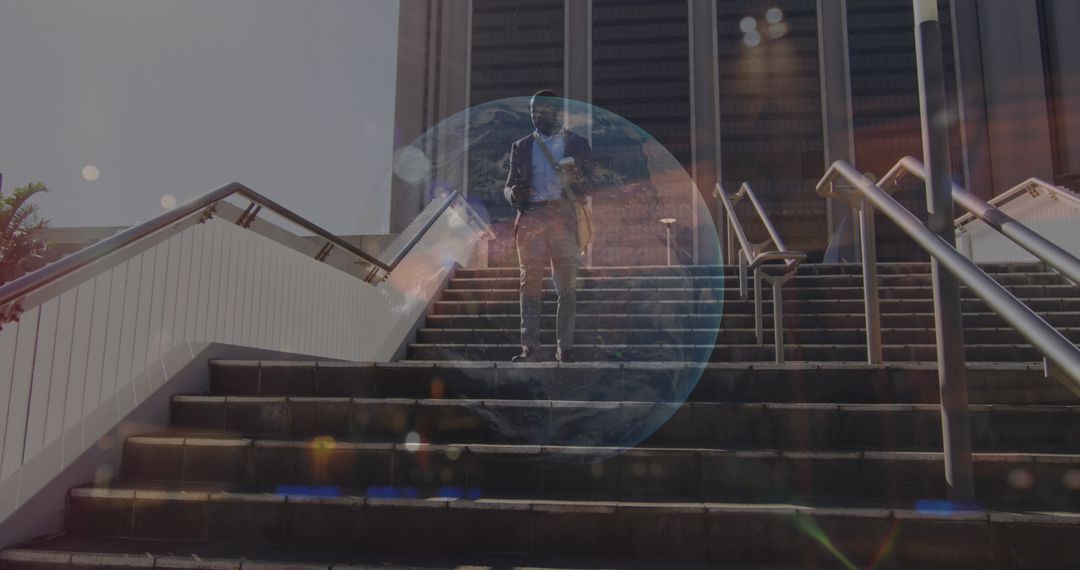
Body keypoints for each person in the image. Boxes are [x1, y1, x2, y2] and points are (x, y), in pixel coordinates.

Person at [503, 90, 593, 363]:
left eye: (540, 112)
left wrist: (578, 179)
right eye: (532, 113)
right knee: (528, 284)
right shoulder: (521, 146)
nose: (535, 117)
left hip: (563, 216)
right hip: (532, 217)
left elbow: (591, 184)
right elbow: (507, 187)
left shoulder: (577, 144)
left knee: (567, 285)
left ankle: (564, 347)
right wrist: (513, 194)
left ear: (556, 113)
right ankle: (529, 346)